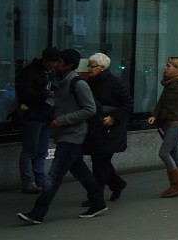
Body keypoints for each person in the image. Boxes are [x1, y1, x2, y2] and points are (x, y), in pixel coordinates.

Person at [17, 49, 107, 223]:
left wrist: (61, 120)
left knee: (54, 175)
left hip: (73, 134)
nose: (55, 65)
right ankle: (98, 201)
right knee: (80, 170)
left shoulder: (78, 84)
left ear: (68, 65)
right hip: (65, 134)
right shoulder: (59, 82)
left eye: (58, 62)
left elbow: (90, 109)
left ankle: (38, 211)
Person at [82, 53, 134, 202]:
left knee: (100, 162)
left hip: (111, 129)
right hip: (98, 127)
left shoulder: (115, 83)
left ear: (102, 68)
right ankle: (117, 183)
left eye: (92, 66)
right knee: (100, 160)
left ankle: (95, 196)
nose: (89, 69)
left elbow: (128, 103)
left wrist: (113, 117)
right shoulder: (91, 82)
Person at [15, 47, 59, 194]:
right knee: (30, 150)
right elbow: (26, 93)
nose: (54, 66)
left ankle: (39, 177)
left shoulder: (49, 73)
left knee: (41, 150)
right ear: (46, 61)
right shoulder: (31, 73)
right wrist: (47, 93)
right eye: (52, 62)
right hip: (33, 115)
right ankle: (28, 180)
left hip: (45, 114)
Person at [147, 56, 178, 198]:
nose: (166, 68)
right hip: (167, 121)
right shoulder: (169, 82)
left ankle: (176, 185)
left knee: (164, 153)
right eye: (167, 65)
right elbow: (162, 101)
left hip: (177, 123)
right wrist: (154, 114)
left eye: (169, 66)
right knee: (174, 153)